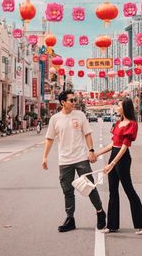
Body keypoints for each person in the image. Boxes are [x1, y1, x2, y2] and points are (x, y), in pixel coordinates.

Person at [42, 90, 106, 232]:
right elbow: (50, 139)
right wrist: (44, 157)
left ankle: (100, 213)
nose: (74, 102)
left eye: (75, 100)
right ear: (63, 102)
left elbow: (88, 134)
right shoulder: (55, 119)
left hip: (81, 158)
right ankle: (70, 219)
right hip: (64, 161)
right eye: (71, 100)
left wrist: (91, 150)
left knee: (89, 187)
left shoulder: (80, 115)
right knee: (67, 191)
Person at [95, 98, 142, 234]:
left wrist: (112, 164)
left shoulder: (131, 124)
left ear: (125, 107)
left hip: (123, 158)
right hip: (114, 154)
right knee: (112, 192)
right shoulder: (118, 123)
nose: (116, 106)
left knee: (129, 190)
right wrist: (96, 154)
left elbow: (124, 147)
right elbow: (112, 144)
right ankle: (112, 225)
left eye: (118, 105)